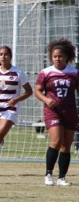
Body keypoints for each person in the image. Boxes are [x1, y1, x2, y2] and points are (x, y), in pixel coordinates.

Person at [0, 46, 33, 176]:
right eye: (1, 54)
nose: (3, 57)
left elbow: (29, 91)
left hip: (10, 109)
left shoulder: (18, 72)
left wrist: (16, 99)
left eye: (6, 54)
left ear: (11, 56)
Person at [34, 38, 79, 186]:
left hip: (70, 111)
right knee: (56, 140)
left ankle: (61, 178)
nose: (57, 59)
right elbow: (37, 91)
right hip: (53, 111)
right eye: (55, 56)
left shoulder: (74, 73)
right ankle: (48, 174)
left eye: (60, 56)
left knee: (67, 145)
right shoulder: (46, 72)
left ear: (66, 56)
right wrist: (47, 100)